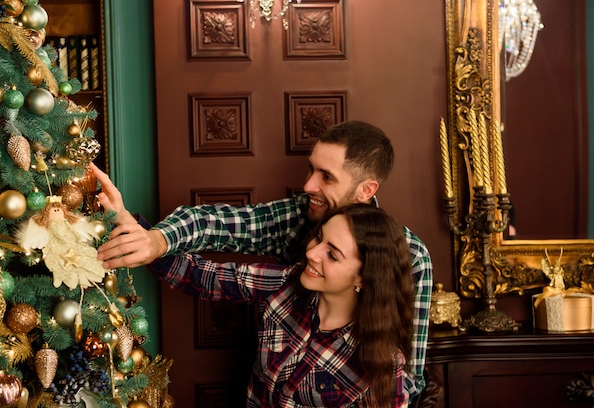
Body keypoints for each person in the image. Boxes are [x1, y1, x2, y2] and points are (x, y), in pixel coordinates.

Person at [91, 120, 433, 394]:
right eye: (311, 169)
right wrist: (155, 240)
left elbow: (409, 380)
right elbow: (215, 231)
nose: (309, 185)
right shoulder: (286, 278)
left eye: (326, 177)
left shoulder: (410, 259)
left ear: (367, 189)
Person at [161, 203, 418, 407]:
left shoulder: (383, 363)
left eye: (332, 254)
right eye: (318, 238)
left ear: (364, 277)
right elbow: (202, 276)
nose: (311, 253)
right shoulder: (287, 285)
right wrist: (142, 237)